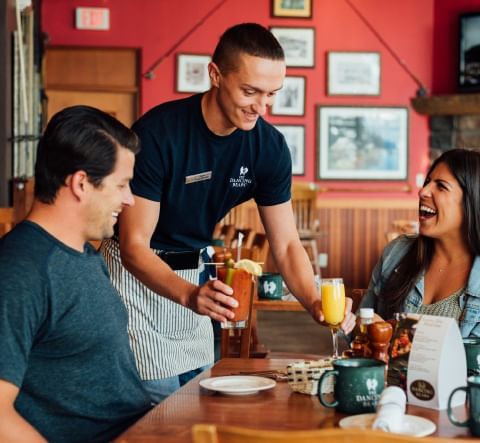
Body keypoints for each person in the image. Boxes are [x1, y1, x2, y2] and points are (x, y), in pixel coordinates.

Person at [101, 22, 355, 403]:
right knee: (157, 404)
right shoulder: (159, 133)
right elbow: (135, 244)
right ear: (215, 75)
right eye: (250, 91)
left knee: (196, 399)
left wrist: (312, 300)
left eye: (272, 94)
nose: (261, 106)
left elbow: (286, 245)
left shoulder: (269, 149)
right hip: (138, 278)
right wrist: (189, 296)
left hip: (197, 276)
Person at [0, 105, 152, 442]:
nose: (129, 200)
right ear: (81, 183)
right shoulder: (21, 271)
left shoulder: (83, 252)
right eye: (122, 185)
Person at [359, 148, 480, 337]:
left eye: (441, 186)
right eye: (427, 182)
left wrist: (393, 337)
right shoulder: (396, 252)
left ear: (470, 203)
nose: (423, 191)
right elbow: (359, 332)